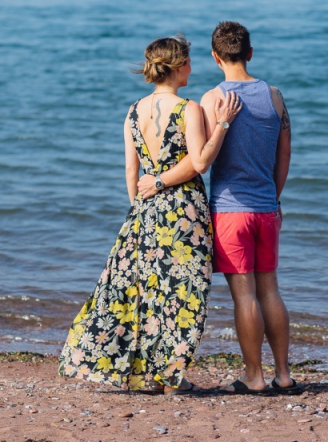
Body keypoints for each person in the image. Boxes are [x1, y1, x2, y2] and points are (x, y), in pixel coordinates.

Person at [58, 34, 241, 394]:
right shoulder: (187, 108)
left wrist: (140, 207)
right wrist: (222, 123)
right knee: (183, 293)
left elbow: (131, 171)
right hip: (184, 211)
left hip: (144, 211)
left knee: (147, 293)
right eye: (189, 61)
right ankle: (171, 376)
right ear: (178, 66)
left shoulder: (133, 110)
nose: (193, 67)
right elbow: (200, 162)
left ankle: (146, 373)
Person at [138, 21, 299, 396]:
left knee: (244, 295)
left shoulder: (211, 99)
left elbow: (203, 156)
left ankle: (253, 375)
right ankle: (284, 374)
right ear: (251, 53)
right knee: (270, 291)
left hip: (229, 210)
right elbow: (285, 153)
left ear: (215, 57)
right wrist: (273, 199)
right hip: (266, 208)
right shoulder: (274, 96)